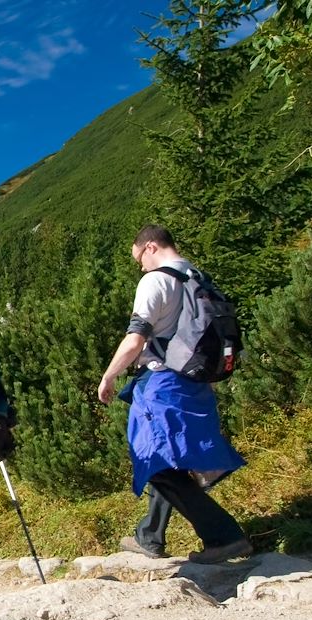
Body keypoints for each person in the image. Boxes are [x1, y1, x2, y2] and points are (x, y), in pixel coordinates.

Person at [97, 224, 252, 565]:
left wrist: (109, 375)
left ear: (150, 247)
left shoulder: (155, 280)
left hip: (162, 383)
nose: (140, 266)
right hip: (195, 381)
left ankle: (225, 537)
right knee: (168, 458)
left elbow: (136, 338)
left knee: (156, 462)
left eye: (139, 257)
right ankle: (149, 536)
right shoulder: (197, 276)